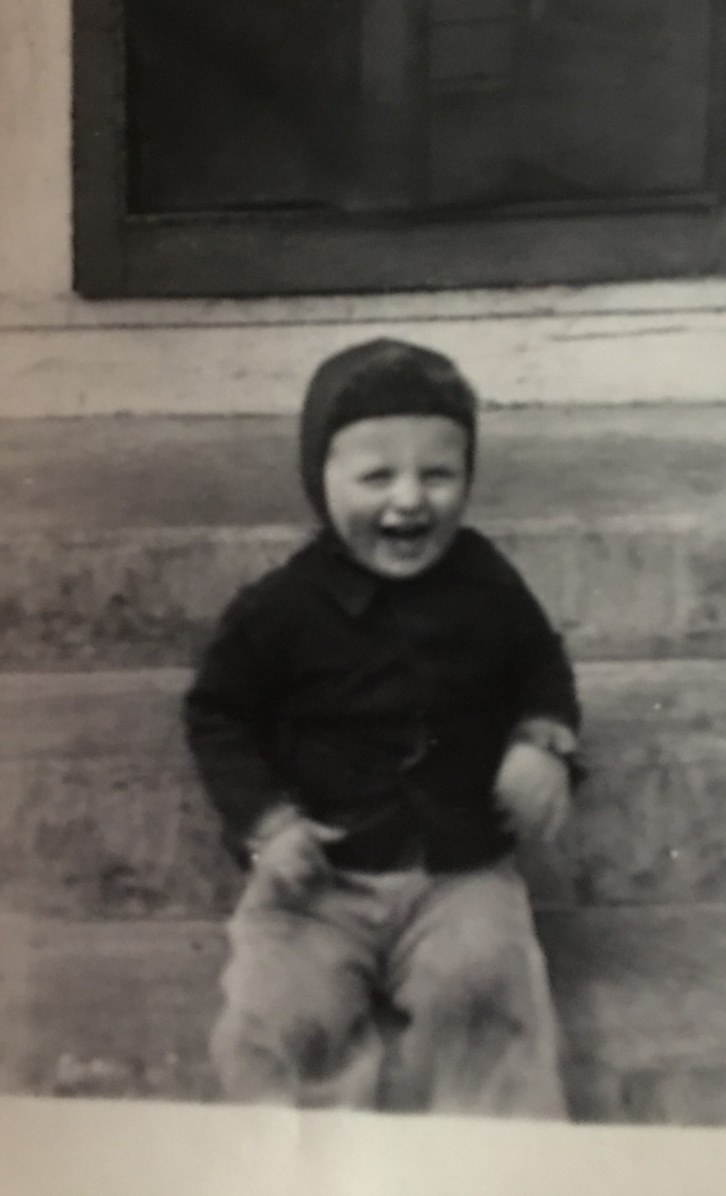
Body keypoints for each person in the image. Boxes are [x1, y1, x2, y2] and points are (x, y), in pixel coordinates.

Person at [183, 337, 582, 1118]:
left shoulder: (487, 583)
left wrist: (543, 741)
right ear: (320, 481)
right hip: (318, 879)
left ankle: (493, 1161)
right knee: (277, 1018)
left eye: (439, 474)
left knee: (489, 994)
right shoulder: (282, 608)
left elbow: (541, 663)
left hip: (459, 874)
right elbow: (217, 714)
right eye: (376, 477)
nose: (409, 500)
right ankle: (299, 1161)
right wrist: (266, 825)